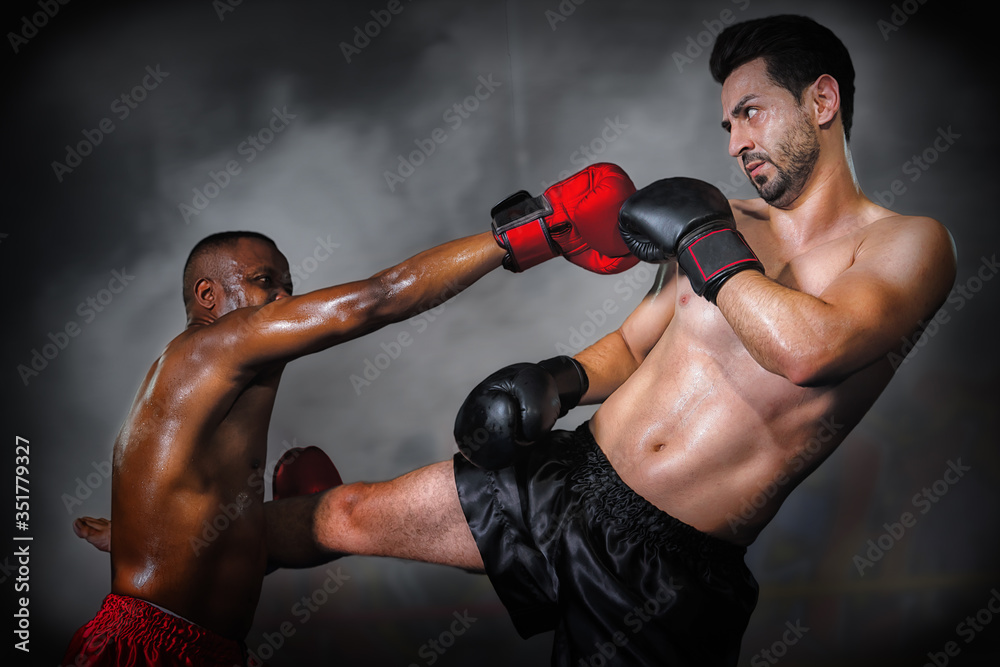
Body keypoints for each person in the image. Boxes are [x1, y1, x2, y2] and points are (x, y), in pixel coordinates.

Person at [256, 14, 956, 667]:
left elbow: (811, 350)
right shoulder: (723, 218)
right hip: (570, 477)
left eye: (750, 113)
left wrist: (703, 239)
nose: (735, 144)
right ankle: (175, 583)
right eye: (726, 125)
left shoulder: (906, 244)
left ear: (823, 101)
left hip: (667, 571)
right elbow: (630, 345)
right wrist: (556, 382)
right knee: (341, 514)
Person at [64, 163, 639, 666]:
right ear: (209, 296)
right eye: (265, 284)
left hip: (212, 649)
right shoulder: (209, 345)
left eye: (289, 285)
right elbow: (378, 297)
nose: (285, 300)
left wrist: (151, 536)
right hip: (148, 648)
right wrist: (539, 226)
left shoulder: (211, 388)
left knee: (328, 514)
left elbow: (217, 557)